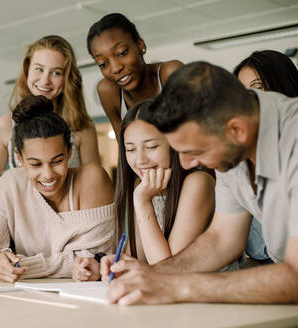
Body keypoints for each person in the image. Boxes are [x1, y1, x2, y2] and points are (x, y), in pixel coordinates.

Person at [101, 61, 298, 305]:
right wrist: (151, 273)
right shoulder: (232, 145)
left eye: (195, 151)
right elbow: (221, 239)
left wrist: (179, 287)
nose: (185, 164)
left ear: (236, 130)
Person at [0, 95, 114, 282]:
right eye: (35, 164)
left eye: (57, 161)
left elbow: (93, 259)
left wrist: (18, 265)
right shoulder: (11, 184)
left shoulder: (92, 179)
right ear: (19, 157)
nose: (48, 174)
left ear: (69, 151)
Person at [73, 99, 215, 281]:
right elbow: (138, 261)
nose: (140, 160)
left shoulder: (198, 182)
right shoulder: (141, 186)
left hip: (210, 297)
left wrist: (142, 202)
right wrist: (101, 267)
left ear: (175, 144)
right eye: (130, 149)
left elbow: (167, 269)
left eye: (151, 147)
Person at [0, 35, 100, 177]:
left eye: (56, 73)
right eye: (39, 69)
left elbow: (94, 182)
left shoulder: (83, 126)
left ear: (67, 79)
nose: (45, 80)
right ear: (27, 69)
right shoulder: (6, 125)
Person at [234, 50, 298, 265]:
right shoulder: (239, 154)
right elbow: (221, 239)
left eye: (258, 88)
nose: (249, 100)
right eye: (242, 93)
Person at [86, 13, 182, 141]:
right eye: (103, 64)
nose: (115, 68)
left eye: (122, 53)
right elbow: (124, 148)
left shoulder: (170, 73)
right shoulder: (108, 91)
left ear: (140, 45)